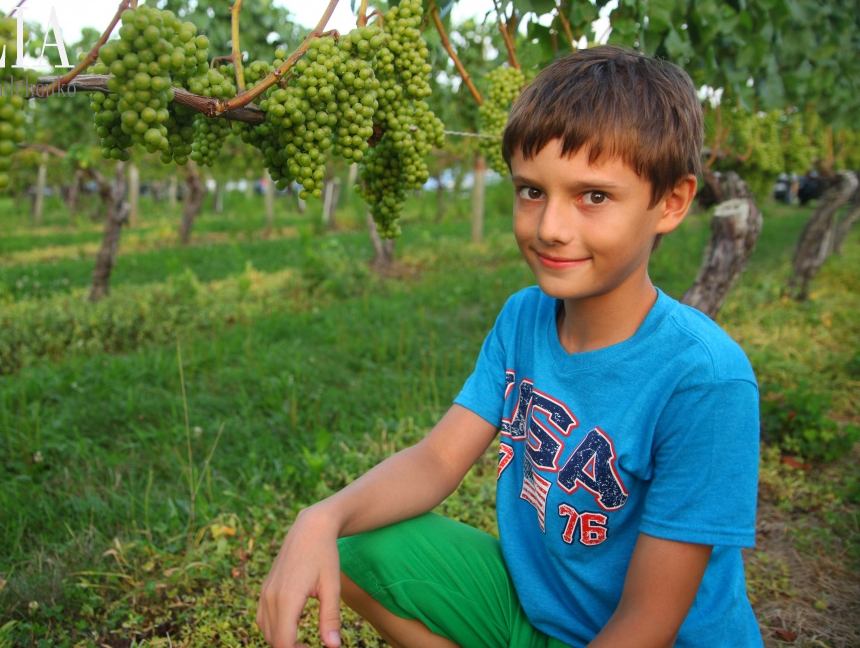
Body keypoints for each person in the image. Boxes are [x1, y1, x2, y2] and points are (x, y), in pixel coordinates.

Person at [256, 45, 762, 648]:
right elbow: (438, 460)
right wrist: (319, 516)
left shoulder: (704, 379)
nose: (550, 226)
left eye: (593, 197)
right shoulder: (524, 317)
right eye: (531, 191)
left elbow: (649, 621)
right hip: (542, 620)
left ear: (671, 202)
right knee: (353, 541)